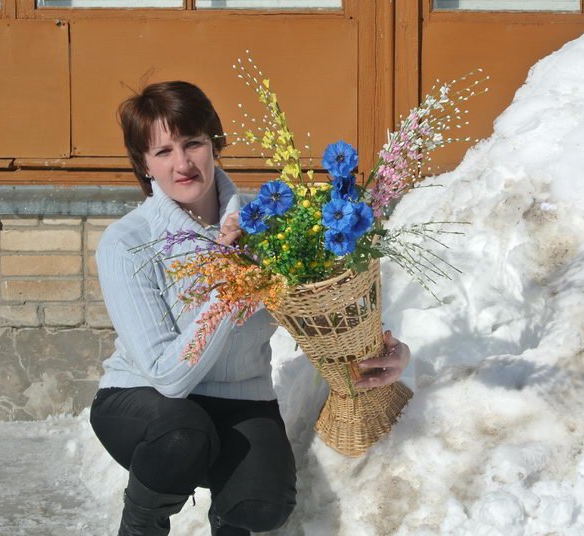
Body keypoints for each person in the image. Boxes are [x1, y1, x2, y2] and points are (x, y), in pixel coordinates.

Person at [90, 80, 411, 536]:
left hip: (239, 397)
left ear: (214, 144)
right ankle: (140, 526)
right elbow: (166, 374)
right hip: (146, 400)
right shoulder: (128, 242)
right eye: (163, 152)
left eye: (193, 144)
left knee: (264, 502)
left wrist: (386, 352)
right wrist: (233, 286)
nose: (182, 163)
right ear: (144, 164)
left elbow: (324, 311)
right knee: (182, 435)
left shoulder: (267, 226)